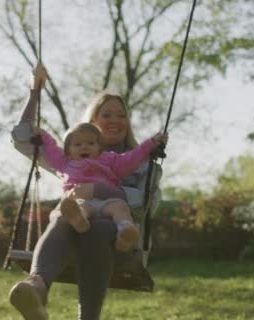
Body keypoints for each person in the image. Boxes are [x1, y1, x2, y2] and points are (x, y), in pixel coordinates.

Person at [9, 63, 166, 320]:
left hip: (118, 238)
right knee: (63, 217)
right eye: (107, 115)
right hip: (73, 227)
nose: (115, 121)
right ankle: (36, 289)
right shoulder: (74, 158)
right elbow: (23, 138)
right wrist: (35, 91)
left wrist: (94, 188)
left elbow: (141, 205)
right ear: (92, 121)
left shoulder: (141, 163)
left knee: (94, 227)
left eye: (121, 115)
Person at [38, 122, 167, 252]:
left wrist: (151, 143)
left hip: (107, 200)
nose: (84, 147)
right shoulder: (64, 163)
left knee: (121, 208)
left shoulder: (110, 159)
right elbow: (51, 151)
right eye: (78, 144)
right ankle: (79, 220)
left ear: (100, 146)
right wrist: (43, 136)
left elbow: (131, 158)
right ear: (68, 150)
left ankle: (125, 233)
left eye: (91, 143)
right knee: (80, 207)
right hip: (82, 199)